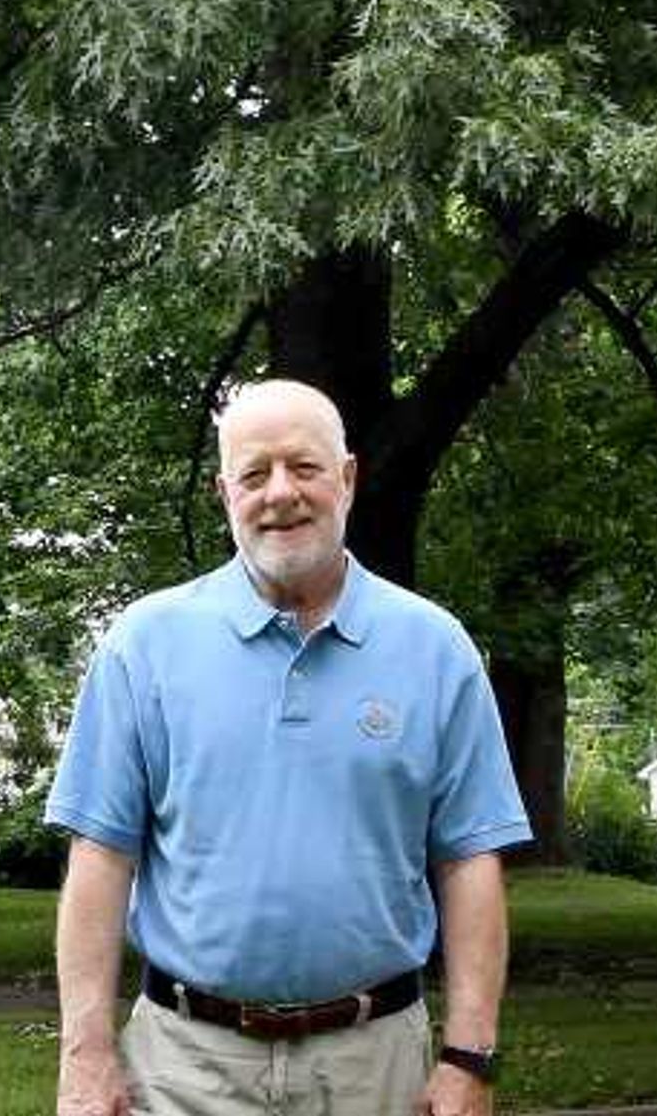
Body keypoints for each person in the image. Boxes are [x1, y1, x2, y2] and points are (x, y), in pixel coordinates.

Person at [46, 378, 533, 1116]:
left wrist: (470, 1058)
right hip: (185, 1069)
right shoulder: (143, 646)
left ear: (348, 477)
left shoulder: (435, 649)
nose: (281, 493)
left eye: (304, 467)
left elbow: (469, 860)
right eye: (254, 473)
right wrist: (85, 1053)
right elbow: (101, 858)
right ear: (224, 493)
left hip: (378, 1069)